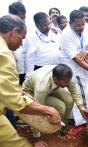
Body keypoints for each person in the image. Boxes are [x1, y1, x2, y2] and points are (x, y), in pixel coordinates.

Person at [0, 14, 61, 147]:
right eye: (21, 38)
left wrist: (20, 93)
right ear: (14, 32)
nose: (22, 43)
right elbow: (16, 102)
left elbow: (4, 88)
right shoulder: (3, 53)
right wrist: (49, 111)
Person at [59, 10, 88, 126]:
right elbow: (75, 58)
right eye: (77, 25)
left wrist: (86, 51)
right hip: (74, 69)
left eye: (82, 24)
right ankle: (82, 121)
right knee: (80, 94)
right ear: (70, 23)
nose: (81, 27)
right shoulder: (65, 35)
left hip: (86, 66)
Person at [22, 64, 88, 135]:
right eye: (66, 82)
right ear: (55, 79)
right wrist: (36, 136)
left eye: (68, 81)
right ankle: (50, 127)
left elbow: (74, 91)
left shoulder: (65, 75)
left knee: (69, 100)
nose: (68, 83)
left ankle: (62, 125)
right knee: (60, 106)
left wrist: (81, 107)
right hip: (32, 92)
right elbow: (37, 110)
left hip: (51, 88)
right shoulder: (42, 87)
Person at [24, 12, 61, 77]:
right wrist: (29, 76)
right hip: (40, 70)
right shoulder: (31, 38)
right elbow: (29, 59)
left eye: (49, 24)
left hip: (55, 69)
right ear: (37, 25)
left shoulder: (55, 33)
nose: (48, 27)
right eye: (45, 25)